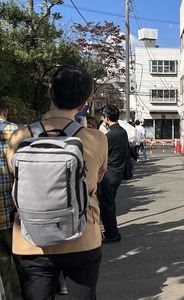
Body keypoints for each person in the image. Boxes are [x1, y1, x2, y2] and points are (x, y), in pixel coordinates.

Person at [6, 65, 108, 300]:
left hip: (31, 238)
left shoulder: (20, 137)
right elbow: (97, 179)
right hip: (83, 234)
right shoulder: (96, 139)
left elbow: (16, 178)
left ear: (50, 91)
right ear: (84, 103)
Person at [0, 97, 23, 300]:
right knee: (25, 262)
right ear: (5, 111)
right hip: (13, 208)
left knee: (2, 268)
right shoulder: (18, 132)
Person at [98, 105, 128, 243]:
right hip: (118, 172)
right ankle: (111, 230)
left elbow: (100, 154)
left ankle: (112, 233)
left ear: (106, 117)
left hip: (108, 174)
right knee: (109, 203)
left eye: (103, 116)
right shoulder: (122, 132)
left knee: (106, 205)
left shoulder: (109, 136)